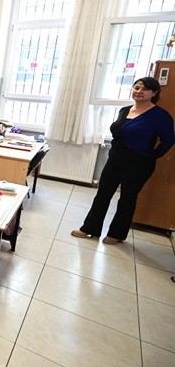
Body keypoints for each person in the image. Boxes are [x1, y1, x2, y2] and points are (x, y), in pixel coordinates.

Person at [72, 77, 174, 244]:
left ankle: (116, 234)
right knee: (102, 195)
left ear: (154, 93)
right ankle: (90, 228)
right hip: (114, 160)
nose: (139, 91)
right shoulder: (125, 110)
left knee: (127, 198)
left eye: (145, 89)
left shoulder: (160, 116)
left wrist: (152, 156)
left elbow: (168, 140)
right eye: (137, 87)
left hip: (138, 165)